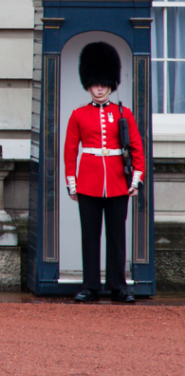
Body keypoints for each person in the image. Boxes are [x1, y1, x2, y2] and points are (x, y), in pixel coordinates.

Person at [63, 41, 144, 304]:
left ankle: (118, 286)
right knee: (90, 235)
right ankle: (90, 286)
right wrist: (72, 183)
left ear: (111, 84)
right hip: (88, 182)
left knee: (117, 236)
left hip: (118, 182)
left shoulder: (124, 114)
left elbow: (136, 148)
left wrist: (136, 180)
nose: (99, 88)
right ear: (88, 85)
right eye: (95, 84)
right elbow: (70, 151)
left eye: (103, 83)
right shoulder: (78, 115)